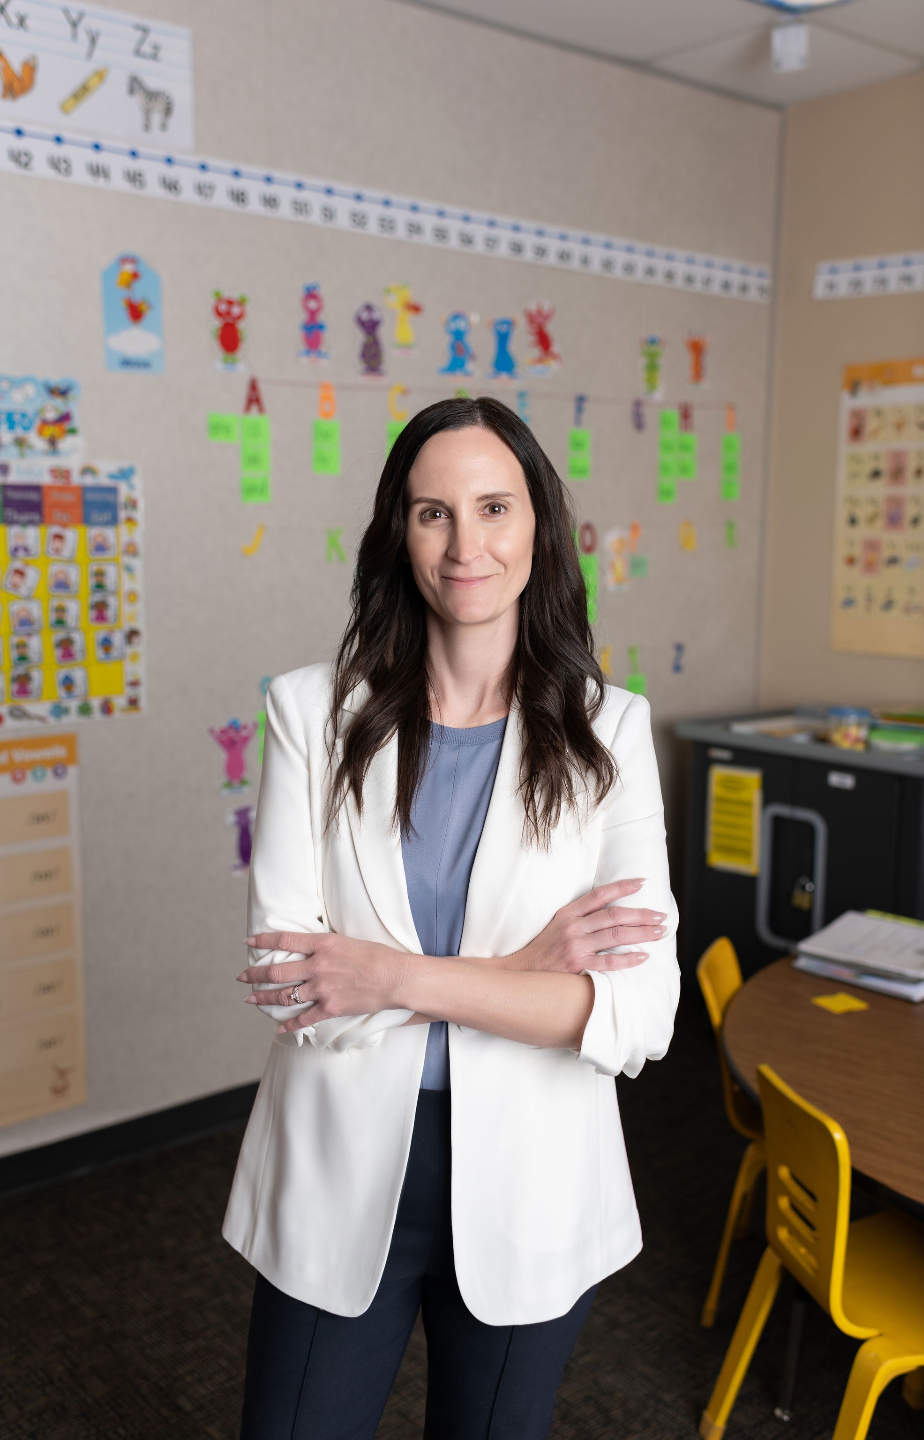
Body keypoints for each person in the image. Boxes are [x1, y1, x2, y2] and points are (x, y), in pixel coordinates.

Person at [225, 396, 680, 1439]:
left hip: (534, 1180)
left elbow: (638, 1018)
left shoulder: (610, 733)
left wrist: (392, 976)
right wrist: (527, 970)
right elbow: (294, 990)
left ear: (538, 526)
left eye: (494, 507)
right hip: (339, 1169)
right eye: (434, 513)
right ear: (400, 532)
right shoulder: (310, 713)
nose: (466, 544)